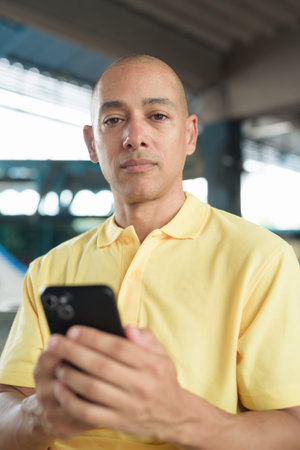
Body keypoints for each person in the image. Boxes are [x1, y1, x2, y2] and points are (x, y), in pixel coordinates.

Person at [0, 54, 300, 450]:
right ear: (92, 143)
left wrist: (181, 418)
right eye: (113, 120)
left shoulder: (261, 259)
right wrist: (38, 415)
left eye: (157, 116)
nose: (134, 137)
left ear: (191, 135)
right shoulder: (49, 269)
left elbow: (291, 429)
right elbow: (8, 412)